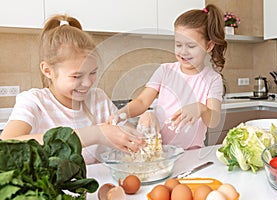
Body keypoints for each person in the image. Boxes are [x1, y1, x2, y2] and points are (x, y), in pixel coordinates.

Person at [0, 14, 143, 164]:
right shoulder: (35, 102)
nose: (88, 83)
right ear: (48, 70)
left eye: (93, 73)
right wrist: (95, 134)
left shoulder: (98, 99)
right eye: (76, 76)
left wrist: (144, 125)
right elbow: (7, 146)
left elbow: (128, 135)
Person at [112, 4, 227, 150]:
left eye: (191, 46)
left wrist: (201, 108)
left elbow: (214, 120)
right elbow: (141, 102)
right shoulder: (165, 70)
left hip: (191, 153)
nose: (183, 51)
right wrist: (122, 112)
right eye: (178, 44)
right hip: (160, 151)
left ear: (209, 46)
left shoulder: (212, 79)